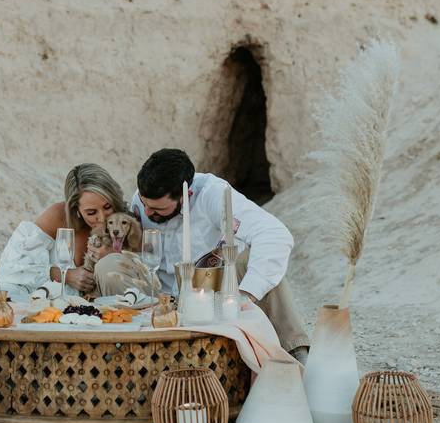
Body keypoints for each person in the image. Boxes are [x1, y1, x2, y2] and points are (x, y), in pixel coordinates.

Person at [131, 148, 310, 362]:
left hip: (210, 292)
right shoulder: (142, 201)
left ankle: (294, 353)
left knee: (252, 262)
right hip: (158, 295)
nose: (148, 213)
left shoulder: (213, 193)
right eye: (144, 204)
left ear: (186, 196)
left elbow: (274, 234)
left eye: (157, 209)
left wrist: (246, 294)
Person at [0, 163, 127, 299]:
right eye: (91, 212)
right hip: (53, 308)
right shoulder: (58, 217)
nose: (102, 218)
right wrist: (66, 275)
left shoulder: (127, 223)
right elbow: (11, 268)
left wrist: (116, 256)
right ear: (76, 208)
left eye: (107, 207)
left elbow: (145, 269)